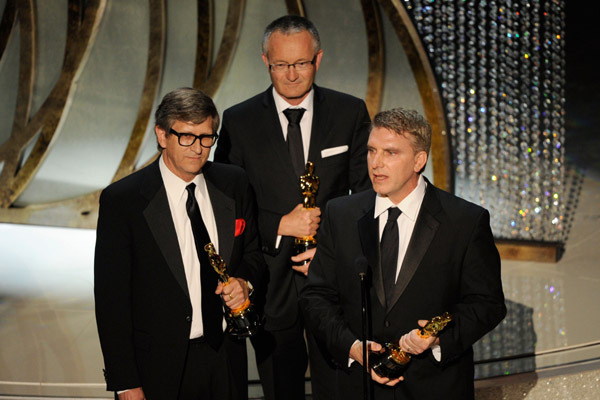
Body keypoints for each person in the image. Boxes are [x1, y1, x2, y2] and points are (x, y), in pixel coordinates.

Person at [214, 15, 371, 400]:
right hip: (269, 281)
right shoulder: (239, 120)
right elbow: (228, 205)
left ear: (318, 59)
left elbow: (368, 196)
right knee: (280, 388)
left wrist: (333, 250)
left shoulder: (350, 113)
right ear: (265, 61)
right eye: (281, 64)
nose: (292, 75)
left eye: (301, 63)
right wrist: (280, 224)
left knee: (339, 387)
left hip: (333, 281)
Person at [299, 108, 506, 399]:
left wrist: (435, 340)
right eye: (371, 151)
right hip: (357, 386)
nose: (376, 163)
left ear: (419, 160)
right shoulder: (341, 213)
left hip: (433, 388)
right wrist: (353, 347)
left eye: (391, 153)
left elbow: (487, 303)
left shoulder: (464, 221)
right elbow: (316, 296)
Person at [94, 87, 265, 400]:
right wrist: (126, 382)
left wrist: (244, 283)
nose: (198, 148)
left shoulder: (234, 183)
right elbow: (111, 302)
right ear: (162, 135)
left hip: (226, 357)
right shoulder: (124, 201)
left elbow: (253, 254)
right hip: (158, 368)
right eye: (186, 136)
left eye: (206, 137)